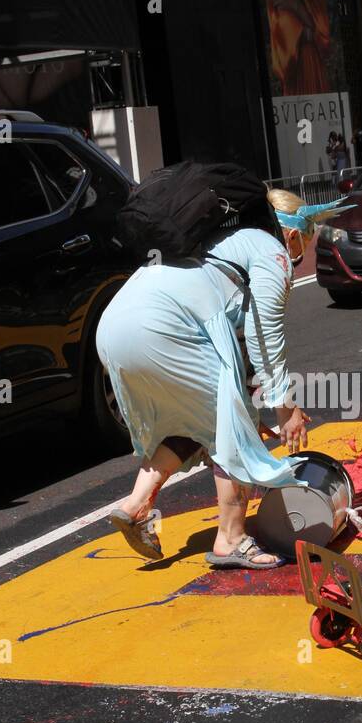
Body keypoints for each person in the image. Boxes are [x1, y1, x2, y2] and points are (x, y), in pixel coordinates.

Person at [96, 187, 310, 570]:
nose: (300, 253)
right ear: (292, 235)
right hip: (161, 329)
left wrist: (249, 409)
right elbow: (265, 338)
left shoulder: (221, 240)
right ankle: (231, 539)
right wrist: (285, 407)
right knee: (228, 425)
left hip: (114, 328)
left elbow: (234, 346)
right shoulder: (272, 251)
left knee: (199, 420)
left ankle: (136, 504)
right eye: (306, 242)